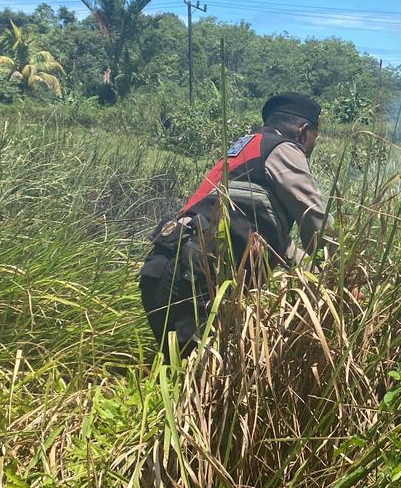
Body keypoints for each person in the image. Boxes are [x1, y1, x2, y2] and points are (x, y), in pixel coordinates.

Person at [139, 92, 333, 355]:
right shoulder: (283, 148)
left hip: (163, 269)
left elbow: (278, 247)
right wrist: (345, 271)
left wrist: (319, 275)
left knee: (183, 372)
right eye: (313, 141)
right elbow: (315, 218)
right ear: (303, 132)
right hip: (191, 274)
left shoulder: (246, 150)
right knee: (205, 382)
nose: (310, 149)